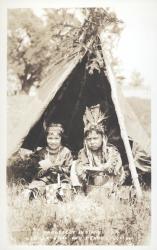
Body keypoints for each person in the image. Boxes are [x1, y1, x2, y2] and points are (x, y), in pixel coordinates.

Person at [72, 104, 125, 194]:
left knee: (118, 167)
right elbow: (82, 166)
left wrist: (102, 168)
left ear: (103, 138)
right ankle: (80, 192)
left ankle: (113, 191)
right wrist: (86, 170)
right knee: (74, 164)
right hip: (92, 181)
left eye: (95, 138)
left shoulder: (110, 150)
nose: (92, 142)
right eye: (89, 139)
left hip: (108, 180)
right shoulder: (84, 152)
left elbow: (113, 165)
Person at [24, 122, 73, 201]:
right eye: (50, 138)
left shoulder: (66, 152)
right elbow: (37, 171)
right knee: (36, 186)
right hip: (45, 178)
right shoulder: (42, 152)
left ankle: (54, 195)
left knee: (64, 190)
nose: (53, 141)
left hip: (61, 178)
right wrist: (45, 169)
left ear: (61, 138)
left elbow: (69, 169)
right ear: (46, 138)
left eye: (56, 138)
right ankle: (37, 193)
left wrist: (59, 169)